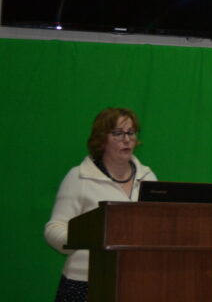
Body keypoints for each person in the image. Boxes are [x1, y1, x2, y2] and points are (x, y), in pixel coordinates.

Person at [44, 107, 157, 302]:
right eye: (118, 133)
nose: (127, 139)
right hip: (85, 281)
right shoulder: (79, 177)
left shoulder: (148, 177)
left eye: (131, 132)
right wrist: (85, 238)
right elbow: (54, 228)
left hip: (136, 279)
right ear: (102, 139)